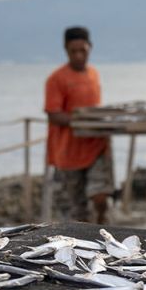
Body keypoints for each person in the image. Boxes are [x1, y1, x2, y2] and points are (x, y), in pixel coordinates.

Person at [44, 26, 113, 224]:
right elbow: (53, 114)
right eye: (73, 51)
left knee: (101, 197)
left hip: (96, 146)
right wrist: (83, 120)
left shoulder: (94, 75)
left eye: (82, 50)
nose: (78, 55)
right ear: (66, 50)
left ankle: (103, 231)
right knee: (75, 210)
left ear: (90, 47)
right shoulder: (56, 79)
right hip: (68, 153)